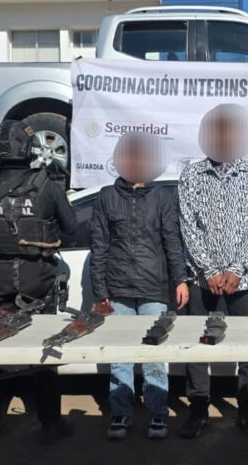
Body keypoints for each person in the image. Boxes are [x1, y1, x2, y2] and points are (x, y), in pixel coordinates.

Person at [0, 120, 76, 445]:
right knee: (45, 351)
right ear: (29, 149)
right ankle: (50, 423)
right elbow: (71, 228)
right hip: (38, 281)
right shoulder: (48, 185)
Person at [89, 132, 189, 441]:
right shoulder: (106, 196)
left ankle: (158, 413)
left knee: (153, 355)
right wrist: (100, 291)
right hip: (117, 289)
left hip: (153, 288)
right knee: (120, 355)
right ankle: (121, 412)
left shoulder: (163, 197)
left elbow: (173, 241)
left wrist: (180, 279)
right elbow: (99, 247)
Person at [178, 103, 248, 439]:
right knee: (198, 344)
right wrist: (210, 269)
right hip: (203, 279)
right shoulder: (191, 175)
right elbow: (188, 227)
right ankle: (198, 409)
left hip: (244, 280)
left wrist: (235, 268)